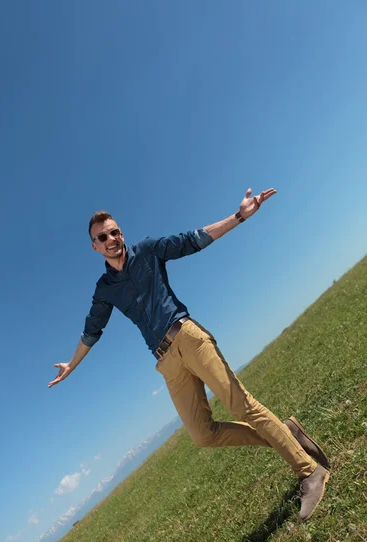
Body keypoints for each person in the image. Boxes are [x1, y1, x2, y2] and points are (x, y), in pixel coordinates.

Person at [48, 188, 330, 521]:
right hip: (166, 361)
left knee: (243, 405)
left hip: (187, 336)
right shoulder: (104, 289)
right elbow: (92, 329)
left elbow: (192, 240)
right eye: (102, 237)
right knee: (202, 434)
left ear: (120, 233)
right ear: (95, 246)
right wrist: (72, 363)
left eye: (113, 232)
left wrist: (239, 216)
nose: (110, 238)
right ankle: (287, 435)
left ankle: (309, 471)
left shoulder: (148, 250)